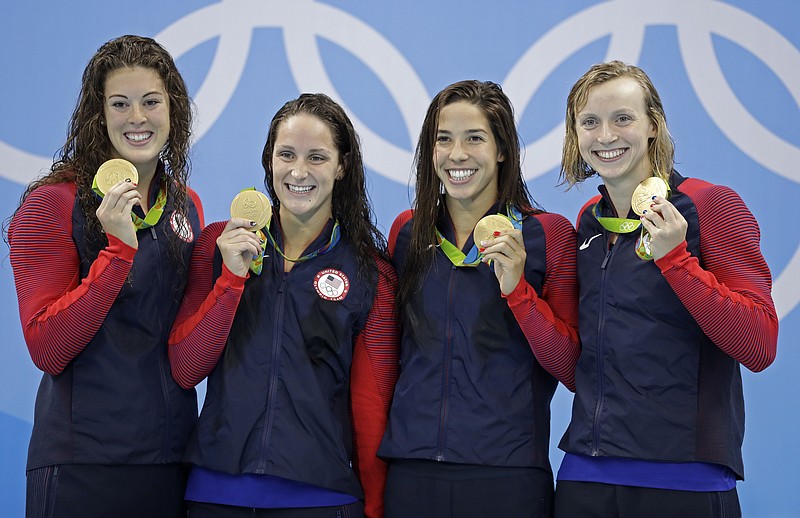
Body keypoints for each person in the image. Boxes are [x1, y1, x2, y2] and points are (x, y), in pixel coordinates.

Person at [554, 60, 779, 517]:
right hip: (585, 476)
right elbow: (580, 359)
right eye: (590, 122)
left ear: (653, 125)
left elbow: (759, 344)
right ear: (575, 135)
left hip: (683, 479)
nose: (606, 136)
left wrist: (677, 261)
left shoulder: (710, 204)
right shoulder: (588, 223)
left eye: (623, 118)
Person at [168, 93, 399, 518]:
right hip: (216, 494)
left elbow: (371, 407)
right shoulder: (219, 245)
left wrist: (376, 508)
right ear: (268, 160)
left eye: (317, 157)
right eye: (287, 154)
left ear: (342, 166)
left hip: (321, 498)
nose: (298, 171)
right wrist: (231, 280)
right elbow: (185, 367)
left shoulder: (369, 272)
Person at [7, 35, 204, 517]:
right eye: (120, 104)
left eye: (151, 102)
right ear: (100, 115)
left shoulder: (186, 205)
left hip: (169, 460)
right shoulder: (53, 203)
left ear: (173, 110)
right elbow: (47, 347)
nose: (137, 117)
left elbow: (186, 352)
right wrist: (117, 251)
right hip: (83, 464)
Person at [377, 80, 580, 518]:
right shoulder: (407, 233)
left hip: (507, 474)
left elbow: (572, 366)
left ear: (502, 149)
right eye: (443, 139)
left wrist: (519, 293)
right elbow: (385, 355)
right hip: (413, 472)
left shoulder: (548, 234)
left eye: (475, 138)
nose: (457, 155)